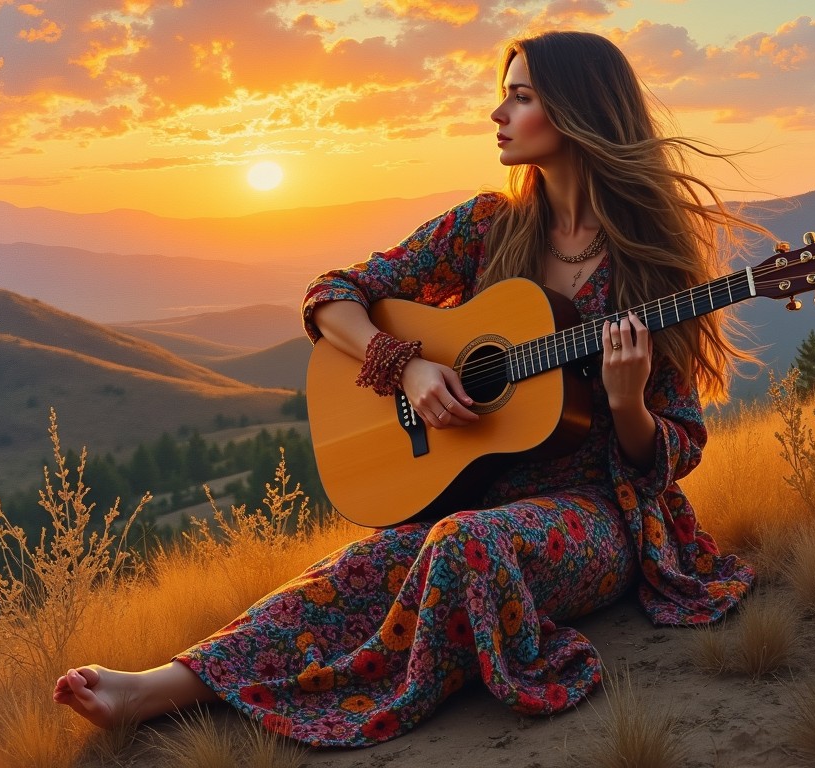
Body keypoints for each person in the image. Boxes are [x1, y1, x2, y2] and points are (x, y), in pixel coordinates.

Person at [54, 30, 757, 746]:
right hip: (473, 494)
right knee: (357, 567)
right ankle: (153, 690)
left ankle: (357, 696)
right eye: (504, 95)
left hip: (597, 518)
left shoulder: (649, 271)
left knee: (458, 546)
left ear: (577, 111)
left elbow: (675, 448)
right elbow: (332, 294)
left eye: (520, 97)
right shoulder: (488, 229)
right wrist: (405, 365)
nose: (497, 114)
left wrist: (626, 401)